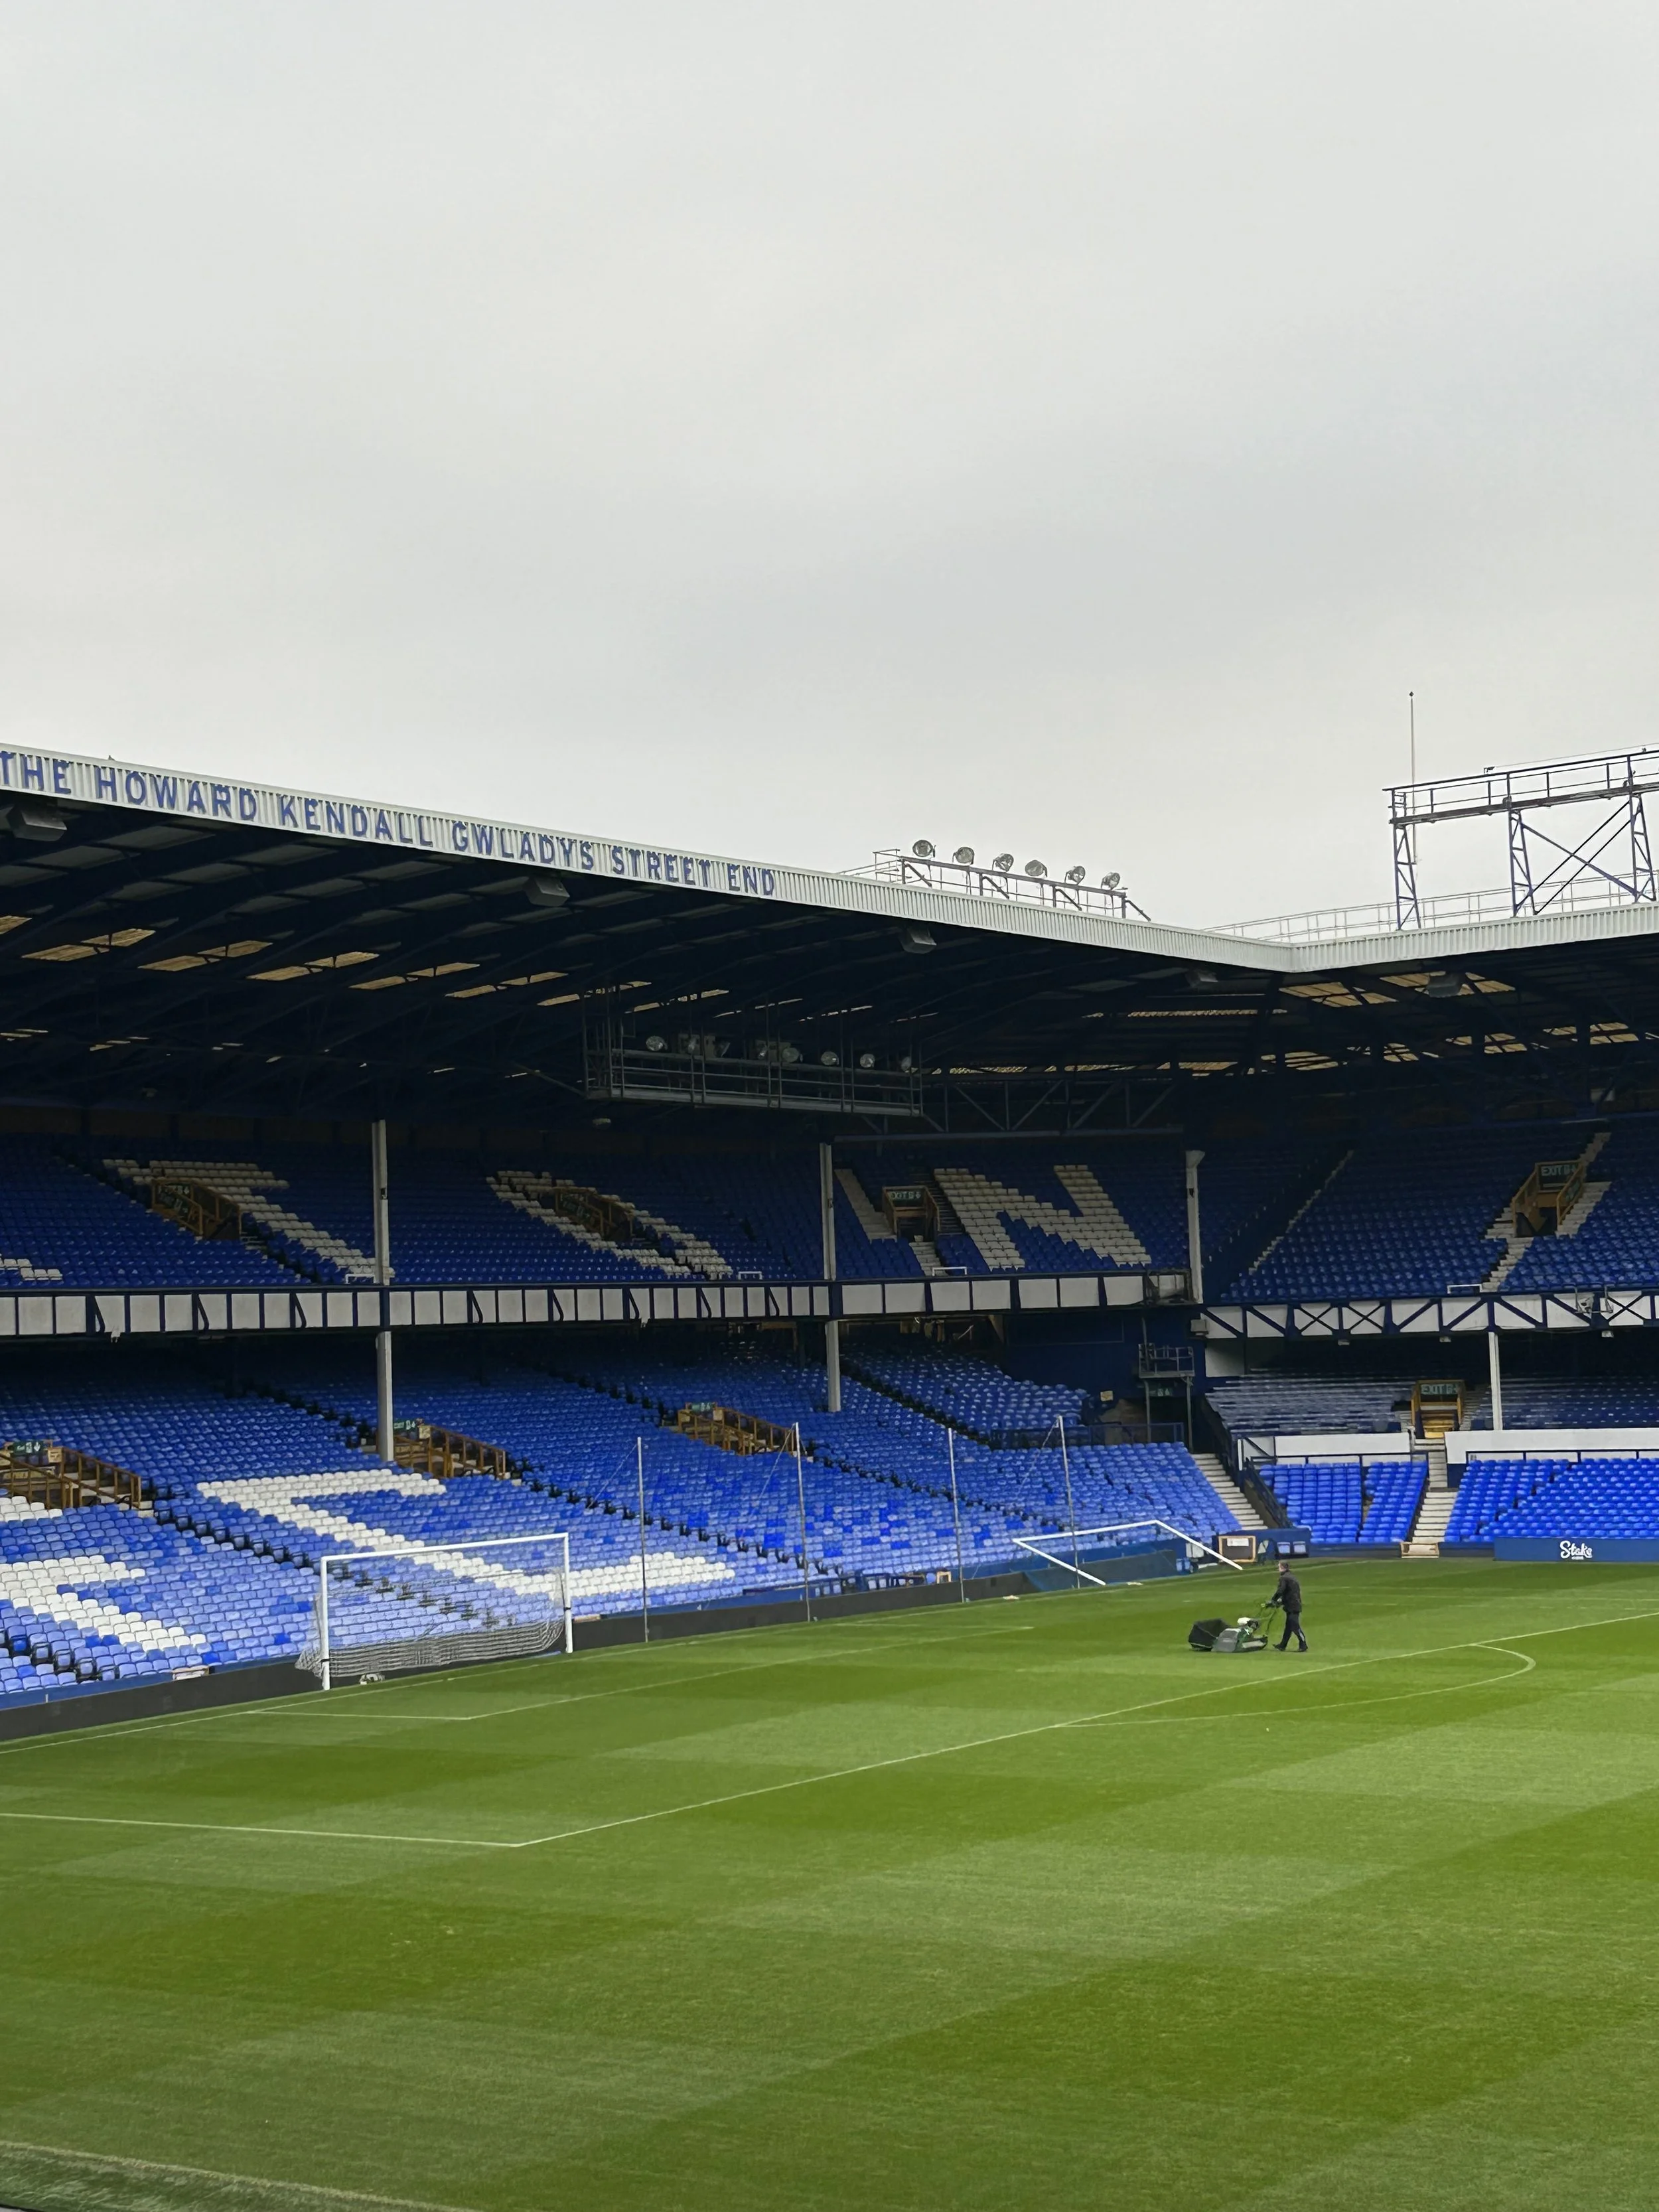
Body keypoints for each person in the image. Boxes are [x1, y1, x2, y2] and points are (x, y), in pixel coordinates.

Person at [1266, 1562, 1307, 1651]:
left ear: (1282, 1568)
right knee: (1289, 1627)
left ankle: (1303, 1644)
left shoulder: (1284, 1578)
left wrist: (1274, 1599)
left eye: (1279, 1567)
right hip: (1294, 1604)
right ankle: (1283, 1645)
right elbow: (1290, 1592)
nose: (1278, 1569)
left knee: (1295, 1627)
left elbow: (1281, 1590)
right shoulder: (1292, 1577)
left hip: (1292, 1606)